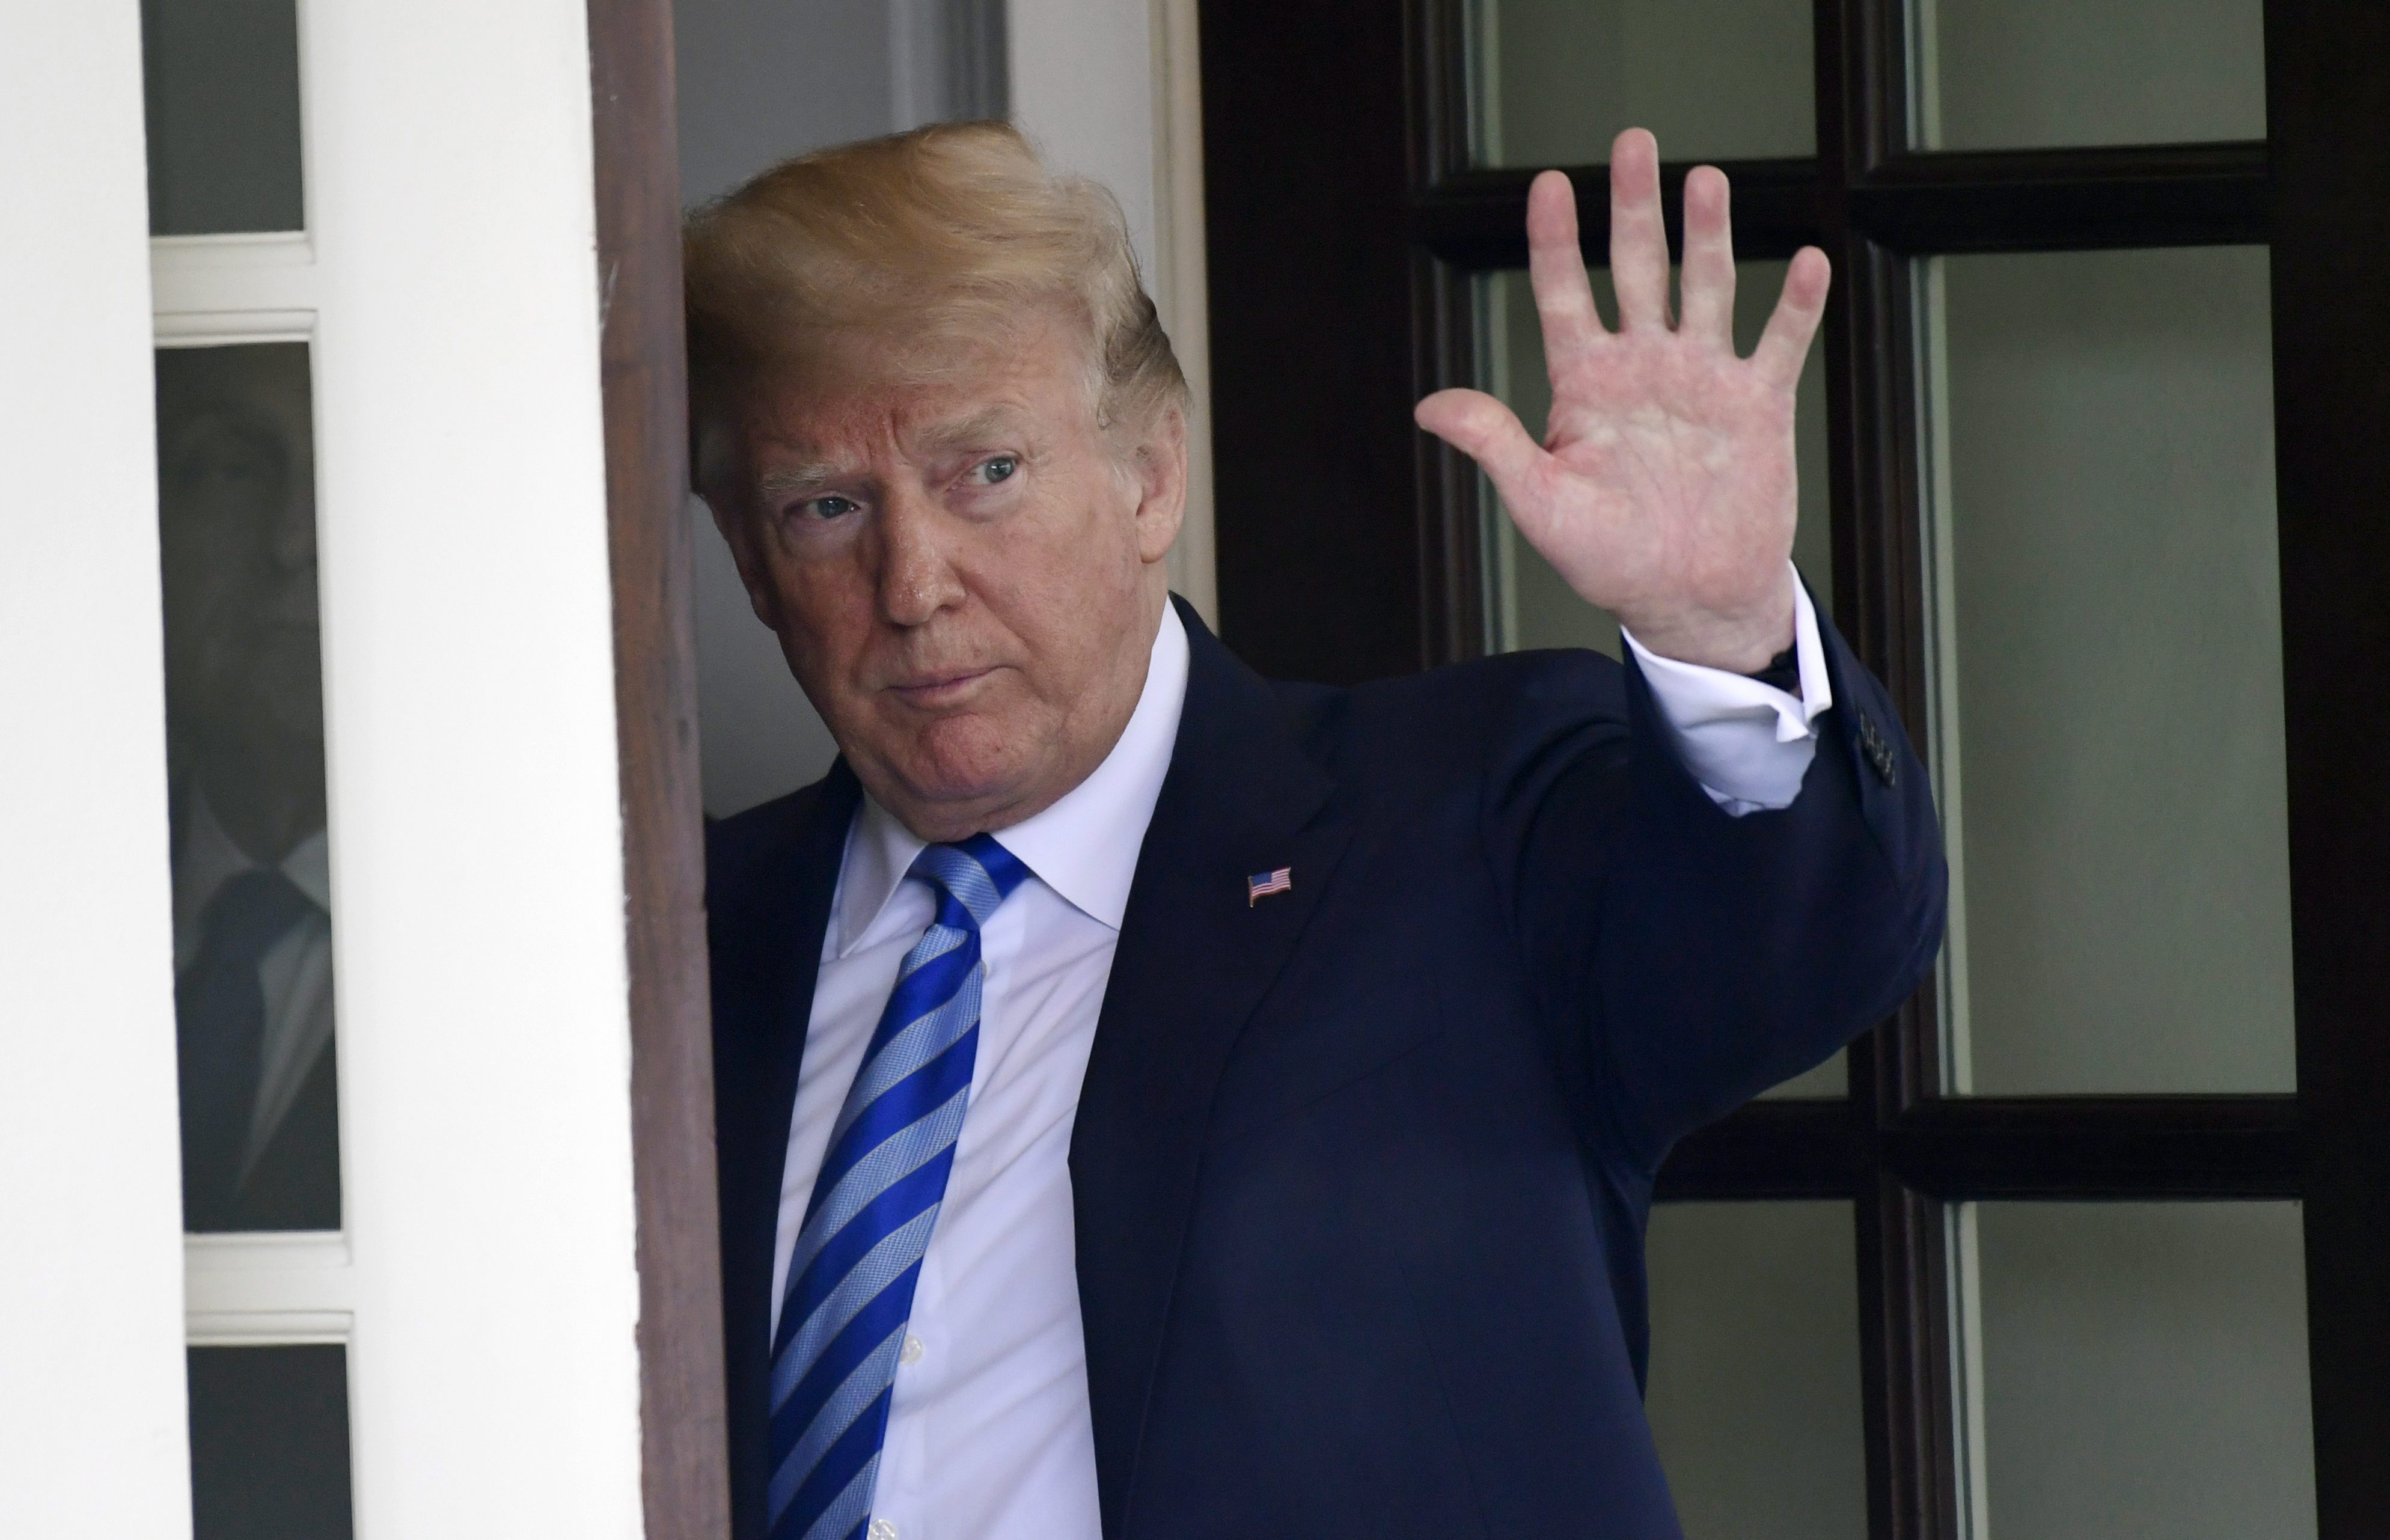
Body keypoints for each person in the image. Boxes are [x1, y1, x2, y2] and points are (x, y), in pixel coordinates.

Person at [691, 121, 1943, 1540]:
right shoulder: (672, 950)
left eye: (985, 472)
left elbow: (1795, 945)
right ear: (749, 561)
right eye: (825, 507)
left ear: (1151, 475)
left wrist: (1719, 631)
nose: (912, 584)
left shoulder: (1462, 825)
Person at [155, 342, 341, 1234]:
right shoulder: (35, 899)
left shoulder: (654, 932)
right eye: (233, 469)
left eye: (348, 462)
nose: (293, 541)